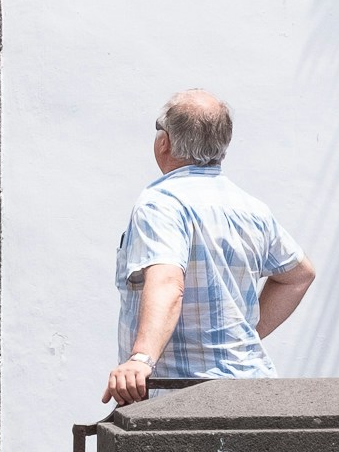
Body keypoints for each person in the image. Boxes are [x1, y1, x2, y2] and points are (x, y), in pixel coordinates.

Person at [105, 89, 316, 404]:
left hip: (183, 399)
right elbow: (299, 275)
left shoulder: (162, 203)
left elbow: (166, 281)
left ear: (165, 142)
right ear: (222, 150)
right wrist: (243, 339)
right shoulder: (251, 207)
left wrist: (141, 359)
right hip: (250, 390)